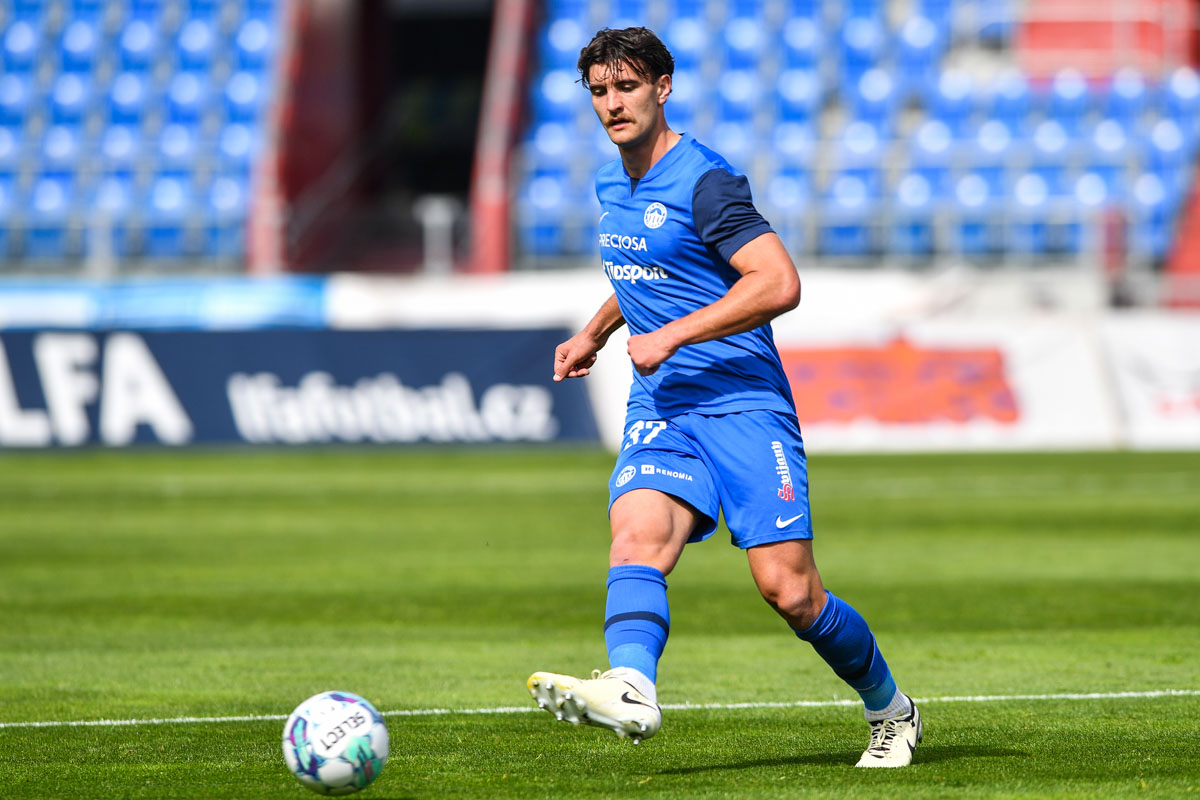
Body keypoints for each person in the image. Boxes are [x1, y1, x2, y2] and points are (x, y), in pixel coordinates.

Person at [526, 26, 922, 768]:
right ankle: (633, 685)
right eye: (600, 91)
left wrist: (672, 335)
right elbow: (649, 269)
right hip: (662, 405)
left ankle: (891, 711)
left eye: (627, 87)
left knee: (790, 592)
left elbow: (778, 282)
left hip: (741, 403)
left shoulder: (705, 180)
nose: (613, 104)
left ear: (663, 87)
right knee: (636, 538)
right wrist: (596, 332)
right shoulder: (611, 183)